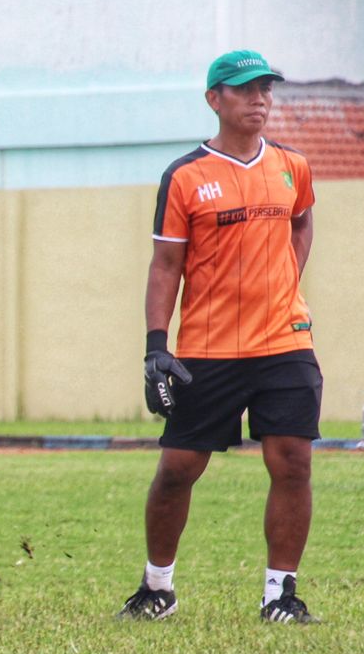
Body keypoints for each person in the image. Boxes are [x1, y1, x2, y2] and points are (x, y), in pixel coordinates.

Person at [118, 49, 322, 624]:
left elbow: (302, 220)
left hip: (286, 343)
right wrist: (158, 347)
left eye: (266, 89)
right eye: (245, 89)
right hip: (208, 348)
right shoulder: (186, 176)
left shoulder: (292, 165)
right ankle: (158, 587)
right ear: (215, 100)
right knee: (178, 468)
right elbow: (165, 266)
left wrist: (286, 282)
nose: (260, 99)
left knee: (293, 463)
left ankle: (280, 594)